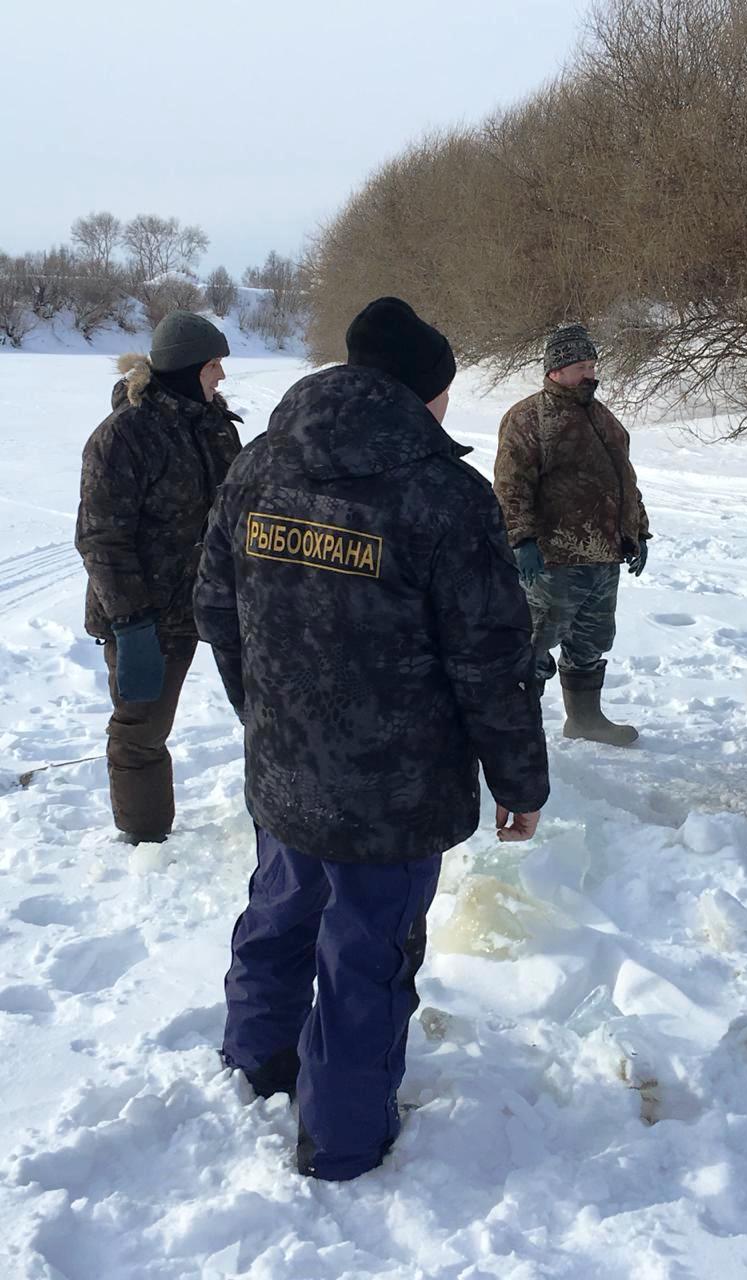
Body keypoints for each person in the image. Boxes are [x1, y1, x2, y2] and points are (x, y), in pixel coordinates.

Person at [193, 296, 550, 1181]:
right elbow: (490, 659)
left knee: (281, 913)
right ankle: (343, 1145)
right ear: (421, 390)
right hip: (392, 795)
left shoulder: (259, 464)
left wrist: (268, 715)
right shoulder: (442, 492)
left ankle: (256, 1061)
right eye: (442, 394)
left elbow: (213, 607)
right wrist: (520, 782)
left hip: (286, 771)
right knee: (365, 958)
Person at [75, 311, 241, 845]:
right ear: (189, 367)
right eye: (215, 364)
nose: (221, 376)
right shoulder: (123, 436)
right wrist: (131, 623)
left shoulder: (214, 424)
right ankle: (145, 841)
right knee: (140, 731)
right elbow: (101, 538)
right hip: (149, 615)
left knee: (271, 706)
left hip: (217, 600)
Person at [493, 322, 651, 747]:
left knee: (590, 642)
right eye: (582, 365)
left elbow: (625, 480)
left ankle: (585, 719)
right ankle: (515, 731)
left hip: (603, 558)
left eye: (593, 364)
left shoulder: (603, 418)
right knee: (533, 644)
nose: (591, 373)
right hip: (552, 561)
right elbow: (511, 485)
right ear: (556, 370)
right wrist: (521, 540)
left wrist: (639, 533)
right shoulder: (529, 417)